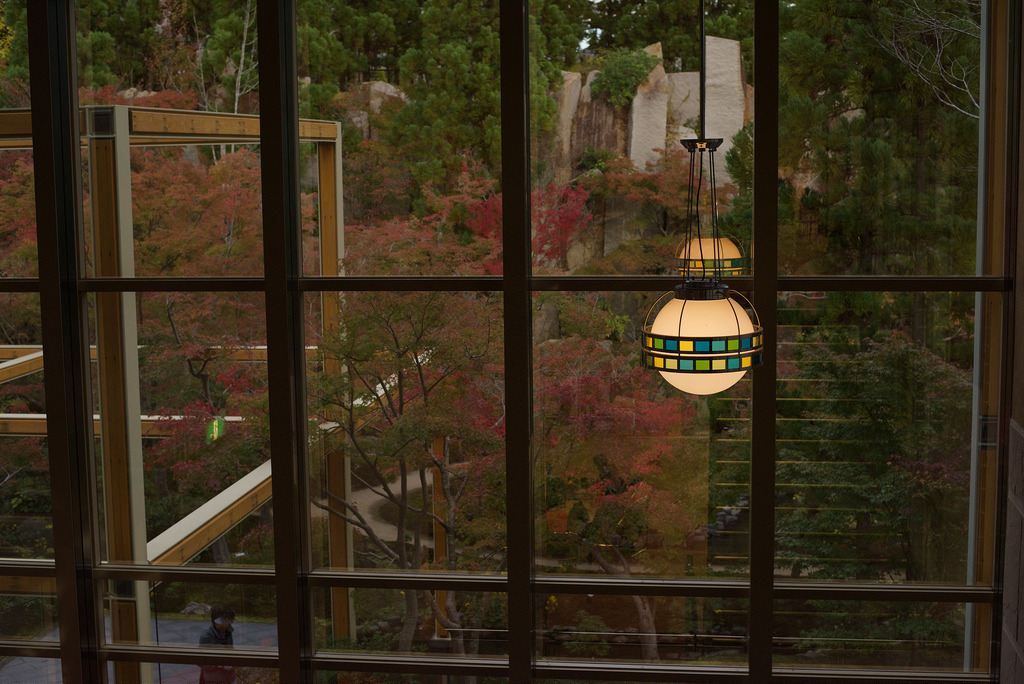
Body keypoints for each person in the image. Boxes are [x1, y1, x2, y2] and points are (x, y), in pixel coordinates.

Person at [198, 605, 236, 684]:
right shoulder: (206, 636)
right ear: (214, 621)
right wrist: (221, 665)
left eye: (227, 621)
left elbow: (230, 651)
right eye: (221, 622)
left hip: (230, 677)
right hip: (214, 679)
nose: (224, 625)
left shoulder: (228, 632)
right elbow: (201, 662)